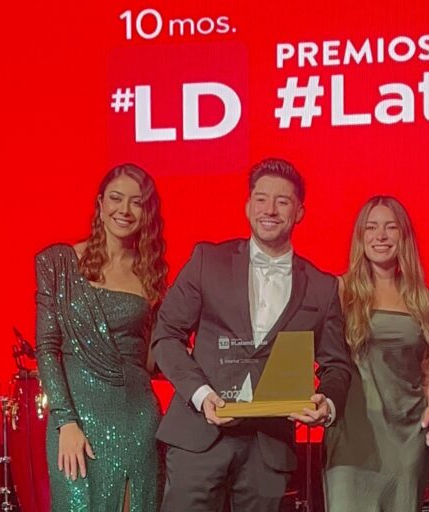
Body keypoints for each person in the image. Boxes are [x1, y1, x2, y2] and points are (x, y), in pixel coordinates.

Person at [150, 157, 352, 512]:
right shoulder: (207, 260)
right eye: (261, 199)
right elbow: (165, 336)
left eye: (282, 201)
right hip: (199, 437)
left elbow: (336, 365)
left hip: (268, 447)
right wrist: (201, 395)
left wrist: (327, 403)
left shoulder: (322, 287)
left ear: (300, 212)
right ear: (247, 206)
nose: (269, 210)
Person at [35, 163, 169, 511]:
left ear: (148, 212)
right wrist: (65, 421)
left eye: (137, 202)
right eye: (116, 198)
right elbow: (46, 349)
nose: (124, 210)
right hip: (76, 421)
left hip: (137, 418)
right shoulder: (59, 263)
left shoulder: (151, 274)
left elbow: (151, 360)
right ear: (100, 203)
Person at [323, 195, 429, 511]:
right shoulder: (341, 291)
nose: (380, 236)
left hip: (408, 439)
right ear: (360, 236)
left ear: (403, 236)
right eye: (371, 227)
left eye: (390, 227)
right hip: (352, 439)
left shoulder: (424, 299)